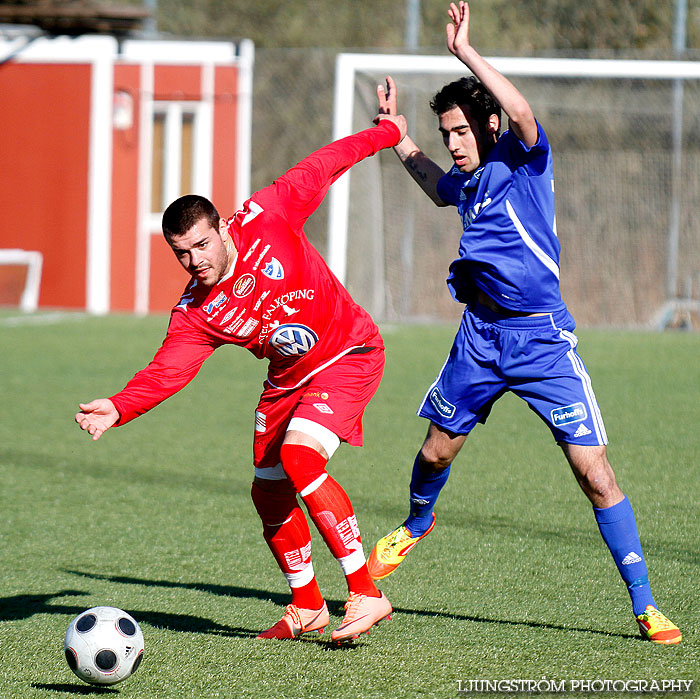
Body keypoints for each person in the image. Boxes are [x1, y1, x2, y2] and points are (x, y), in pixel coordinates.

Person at [367, 1, 681, 645]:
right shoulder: (468, 180)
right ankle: (417, 523)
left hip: (541, 339)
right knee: (435, 451)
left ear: (485, 125)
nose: (452, 144)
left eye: (460, 131)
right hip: (480, 337)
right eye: (446, 134)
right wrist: (399, 137)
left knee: (594, 473)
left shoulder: (524, 160)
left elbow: (522, 113)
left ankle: (645, 604)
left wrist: (464, 53)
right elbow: (433, 184)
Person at [75, 114, 408, 643]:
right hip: (288, 380)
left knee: (300, 459)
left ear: (222, 229)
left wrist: (389, 132)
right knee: (269, 493)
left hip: (348, 352)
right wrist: (119, 406)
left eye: (202, 245)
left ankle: (367, 593)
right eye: (182, 253)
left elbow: (326, 164)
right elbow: (168, 369)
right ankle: (309, 606)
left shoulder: (268, 213)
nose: (195, 261)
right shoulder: (196, 310)